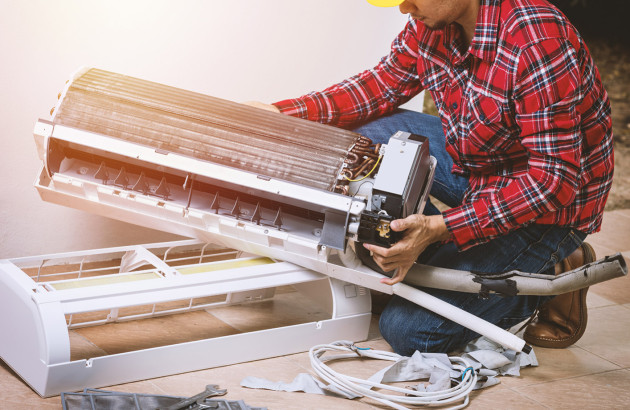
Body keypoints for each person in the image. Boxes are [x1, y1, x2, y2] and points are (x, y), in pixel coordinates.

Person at [247, 0, 614, 355]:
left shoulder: (538, 43)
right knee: (365, 132)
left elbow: (554, 180)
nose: (404, 8)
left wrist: (442, 227)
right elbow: (378, 86)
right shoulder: (432, 23)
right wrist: (281, 113)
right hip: (481, 158)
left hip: (547, 207)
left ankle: (547, 276)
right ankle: (447, 254)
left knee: (409, 332)